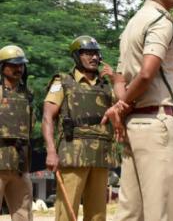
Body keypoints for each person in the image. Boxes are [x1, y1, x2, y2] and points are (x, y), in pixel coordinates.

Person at [102, 0, 173, 221]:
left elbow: (120, 78)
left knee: (131, 212)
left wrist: (122, 104)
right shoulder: (160, 21)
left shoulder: (133, 23)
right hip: (156, 123)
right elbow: (147, 73)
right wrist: (121, 106)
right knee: (160, 211)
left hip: (133, 124)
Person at [42, 36, 117, 221]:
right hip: (72, 154)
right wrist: (51, 151)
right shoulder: (62, 82)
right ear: (76, 56)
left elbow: (124, 107)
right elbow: (47, 117)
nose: (94, 57)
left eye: (96, 53)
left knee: (98, 215)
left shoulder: (106, 85)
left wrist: (116, 80)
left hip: (100, 155)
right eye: (88, 53)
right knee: (67, 213)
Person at [0, 45, 32, 221]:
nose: (18, 68)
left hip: (20, 164)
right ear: (2, 67)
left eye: (21, 65)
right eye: (13, 65)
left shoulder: (27, 94)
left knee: (23, 214)